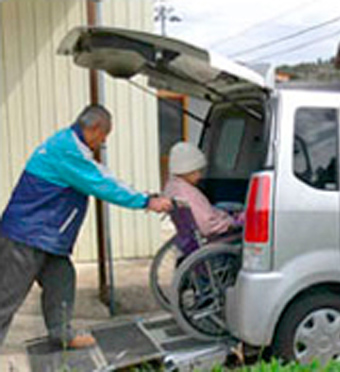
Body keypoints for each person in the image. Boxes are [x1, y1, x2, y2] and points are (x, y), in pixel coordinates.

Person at [0, 104, 171, 349]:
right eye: (104, 136)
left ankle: (62, 335)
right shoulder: (69, 151)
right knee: (6, 298)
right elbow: (102, 183)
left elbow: (101, 176)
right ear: (94, 128)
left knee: (62, 279)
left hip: (46, 237)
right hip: (26, 237)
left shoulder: (69, 144)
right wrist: (146, 201)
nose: (103, 142)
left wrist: (146, 196)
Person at [163, 142, 242, 238]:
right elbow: (207, 226)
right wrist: (232, 222)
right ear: (187, 170)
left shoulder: (172, 187)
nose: (199, 176)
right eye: (196, 172)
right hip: (217, 236)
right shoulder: (188, 194)